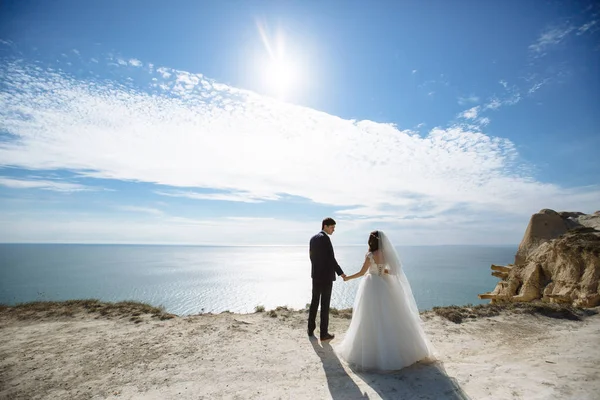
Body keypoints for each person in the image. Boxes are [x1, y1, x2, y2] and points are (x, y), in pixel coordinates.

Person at [337, 230, 434, 371]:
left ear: (371, 241)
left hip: (372, 285)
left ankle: (374, 353)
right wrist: (382, 271)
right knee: (392, 316)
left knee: (370, 317)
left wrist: (347, 278)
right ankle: (405, 351)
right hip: (386, 284)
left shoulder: (370, 255)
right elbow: (393, 271)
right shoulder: (386, 254)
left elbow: (362, 272)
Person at [308, 217, 346, 341]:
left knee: (314, 302)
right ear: (325, 226)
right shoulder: (325, 239)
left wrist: (316, 271)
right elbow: (331, 259)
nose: (333, 230)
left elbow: (311, 257)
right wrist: (341, 273)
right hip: (326, 278)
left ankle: (310, 329)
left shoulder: (313, 239)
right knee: (325, 305)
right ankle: (323, 334)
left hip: (316, 276)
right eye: (332, 227)